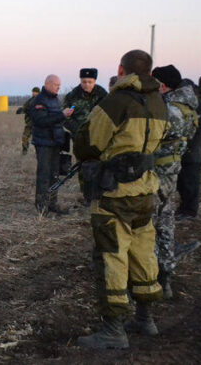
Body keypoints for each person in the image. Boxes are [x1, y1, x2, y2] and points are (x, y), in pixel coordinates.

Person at [74, 50, 168, 349]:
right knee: (143, 252)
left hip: (115, 193)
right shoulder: (159, 103)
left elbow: (88, 142)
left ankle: (113, 329)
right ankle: (145, 318)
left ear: (121, 69)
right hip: (146, 190)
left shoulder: (116, 101)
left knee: (110, 256)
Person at [149, 66, 199, 299]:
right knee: (166, 222)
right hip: (172, 170)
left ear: (163, 85)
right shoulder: (188, 108)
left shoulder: (168, 110)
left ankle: (150, 278)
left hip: (157, 171)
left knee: (150, 225)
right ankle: (166, 277)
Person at [63, 68, 108, 204]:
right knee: (83, 167)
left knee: (101, 166)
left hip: (99, 138)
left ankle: (101, 195)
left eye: (90, 82)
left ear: (95, 81)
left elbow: (109, 116)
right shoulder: (73, 96)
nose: (87, 85)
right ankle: (87, 196)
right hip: (80, 139)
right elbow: (65, 117)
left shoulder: (102, 95)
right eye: (84, 82)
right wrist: (78, 131)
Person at [29, 75, 72, 214]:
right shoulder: (39, 100)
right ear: (47, 84)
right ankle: (42, 207)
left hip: (55, 142)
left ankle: (52, 204)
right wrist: (62, 115)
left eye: (59, 85)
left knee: (54, 174)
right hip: (44, 143)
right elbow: (41, 121)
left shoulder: (55, 99)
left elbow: (56, 120)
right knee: (44, 175)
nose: (58, 87)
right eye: (56, 85)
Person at [176, 76, 201, 220]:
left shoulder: (197, 105)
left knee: (191, 182)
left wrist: (190, 145)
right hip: (184, 152)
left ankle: (190, 210)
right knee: (183, 182)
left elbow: (200, 129)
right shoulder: (186, 104)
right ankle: (184, 208)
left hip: (192, 151)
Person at [16, 86, 40, 155]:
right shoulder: (30, 100)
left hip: (38, 124)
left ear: (38, 93)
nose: (33, 93)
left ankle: (39, 154)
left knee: (38, 140)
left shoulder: (41, 100)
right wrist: (21, 110)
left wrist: (33, 112)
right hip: (29, 123)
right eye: (32, 92)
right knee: (25, 137)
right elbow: (25, 107)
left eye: (34, 92)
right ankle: (25, 151)